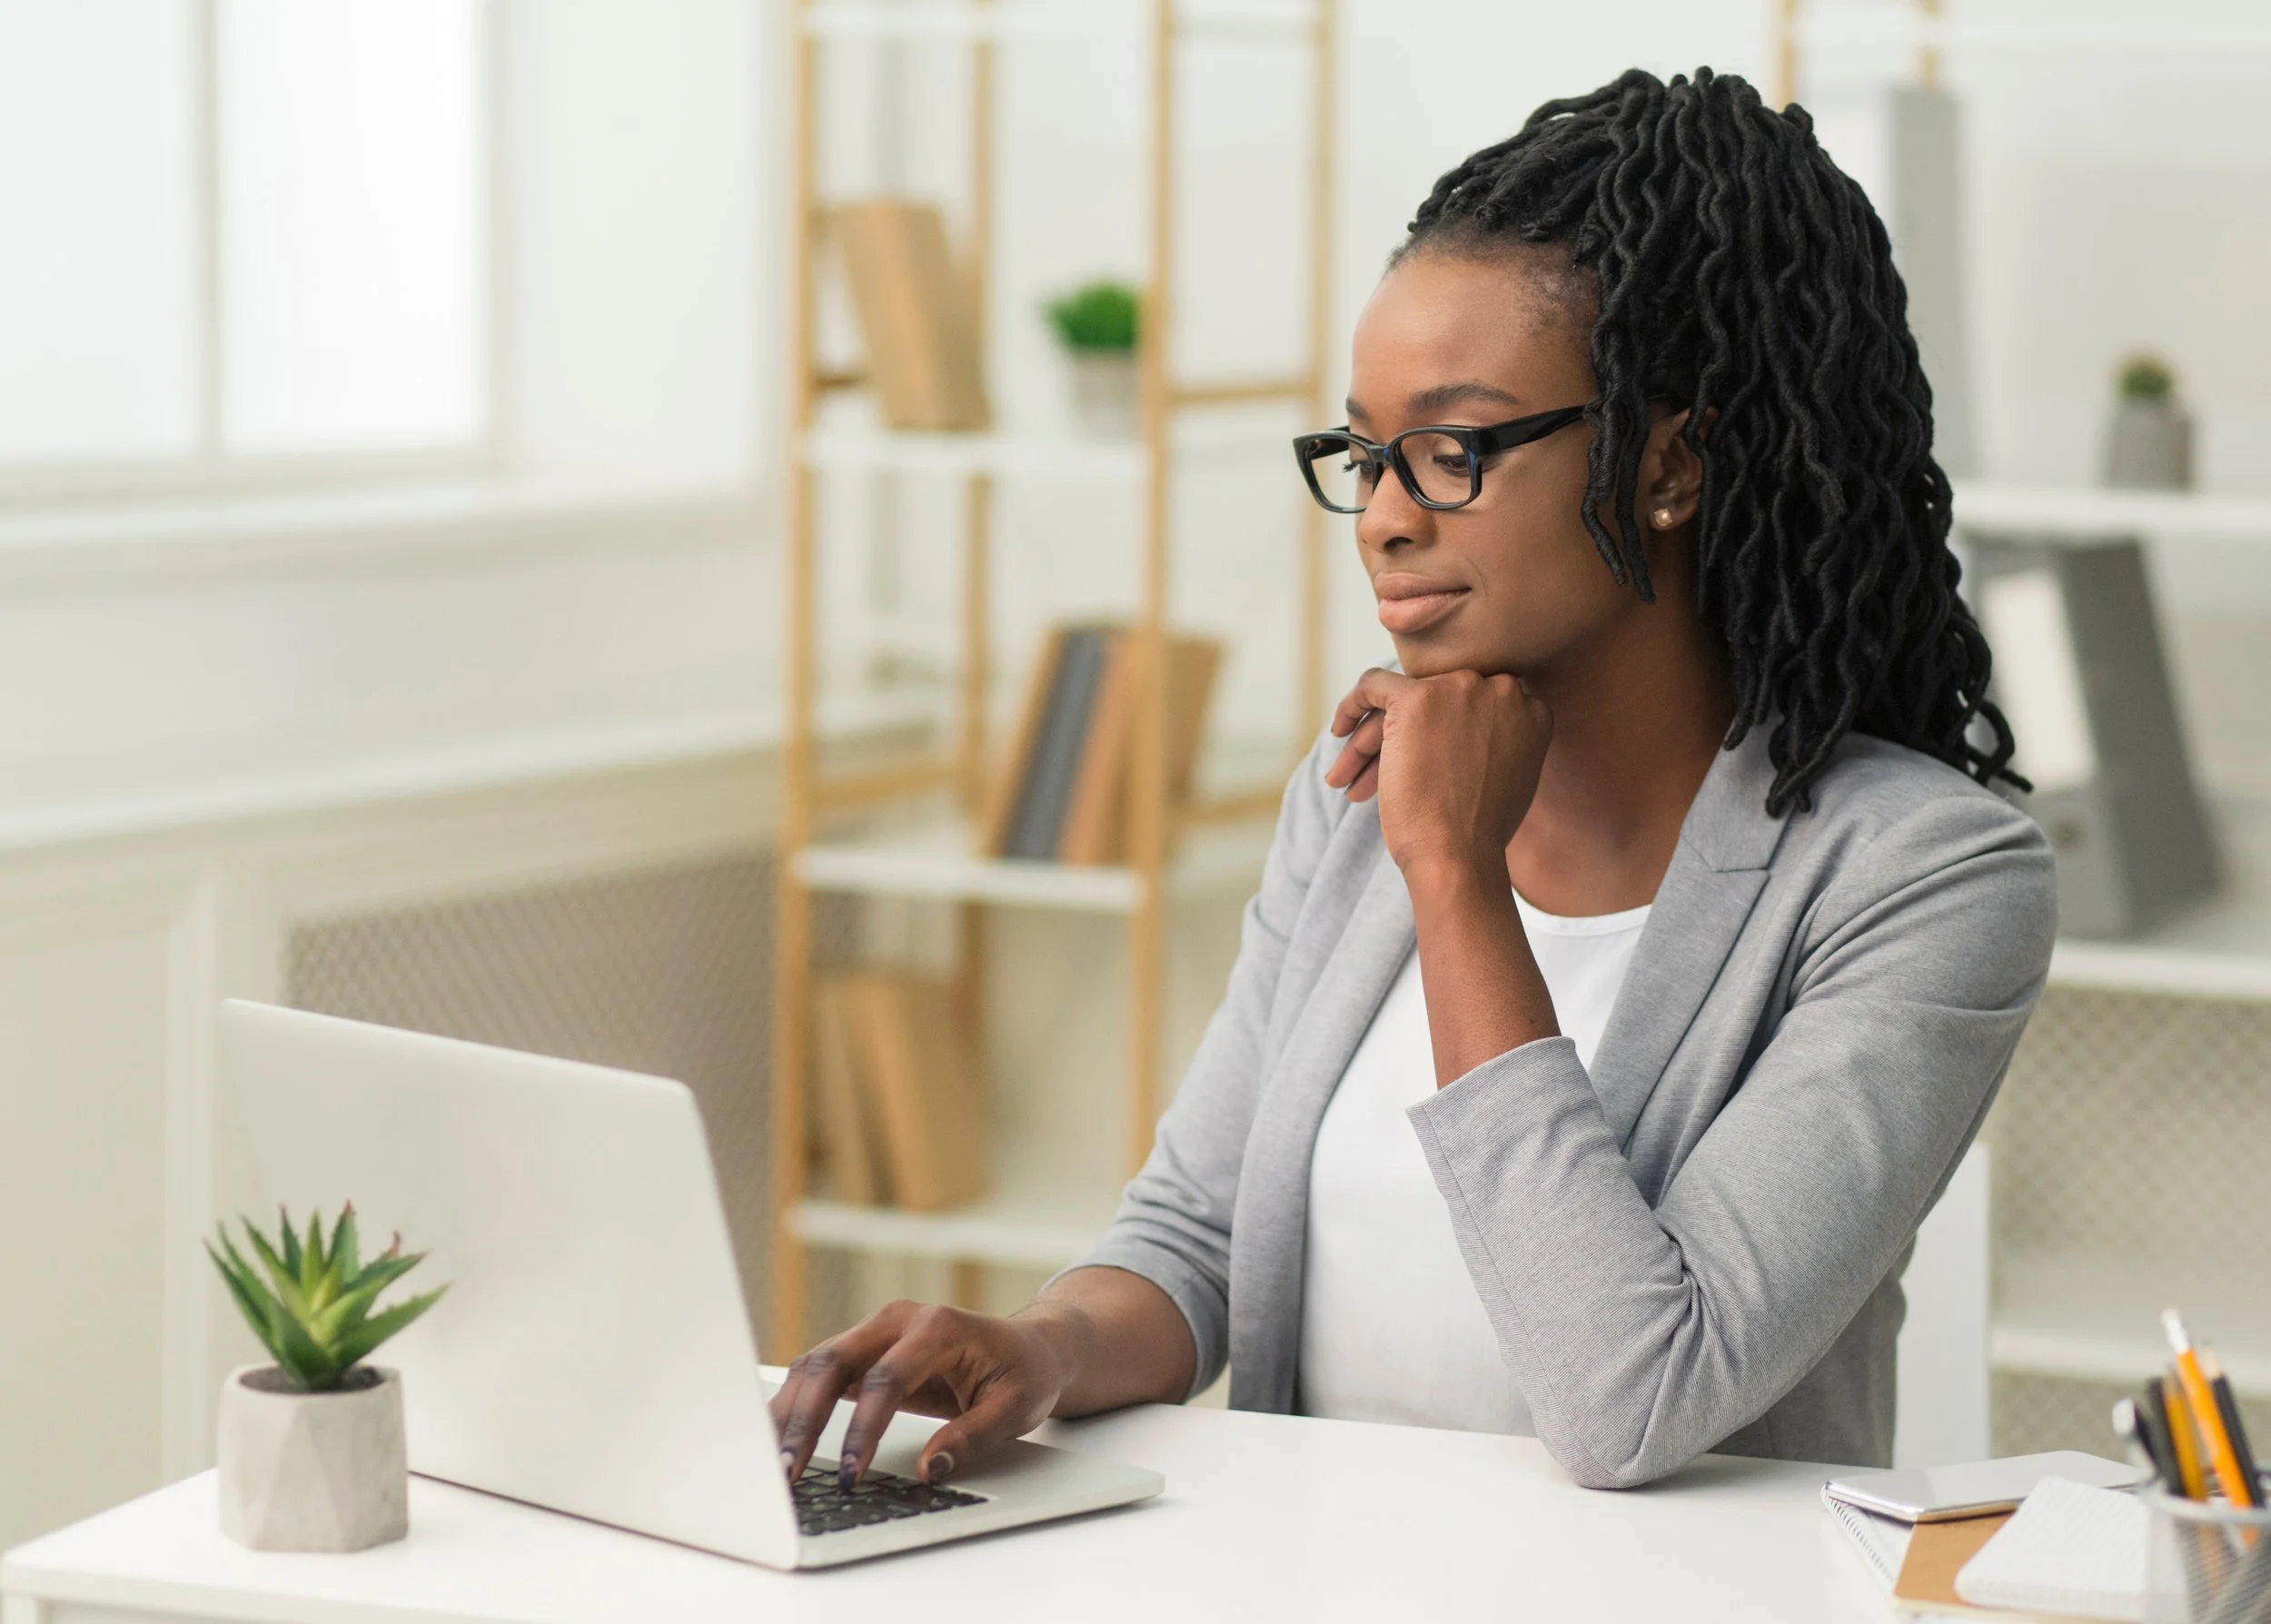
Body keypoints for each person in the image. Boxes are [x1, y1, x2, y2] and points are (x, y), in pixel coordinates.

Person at [771, 66, 2056, 1491]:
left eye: (1452, 451)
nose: (1382, 518)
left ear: (1668, 464)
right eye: (1366, 453)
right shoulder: (1347, 802)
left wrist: (1454, 876)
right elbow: (1195, 1235)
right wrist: (1046, 1345)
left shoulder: (1923, 878)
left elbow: (1637, 1395)